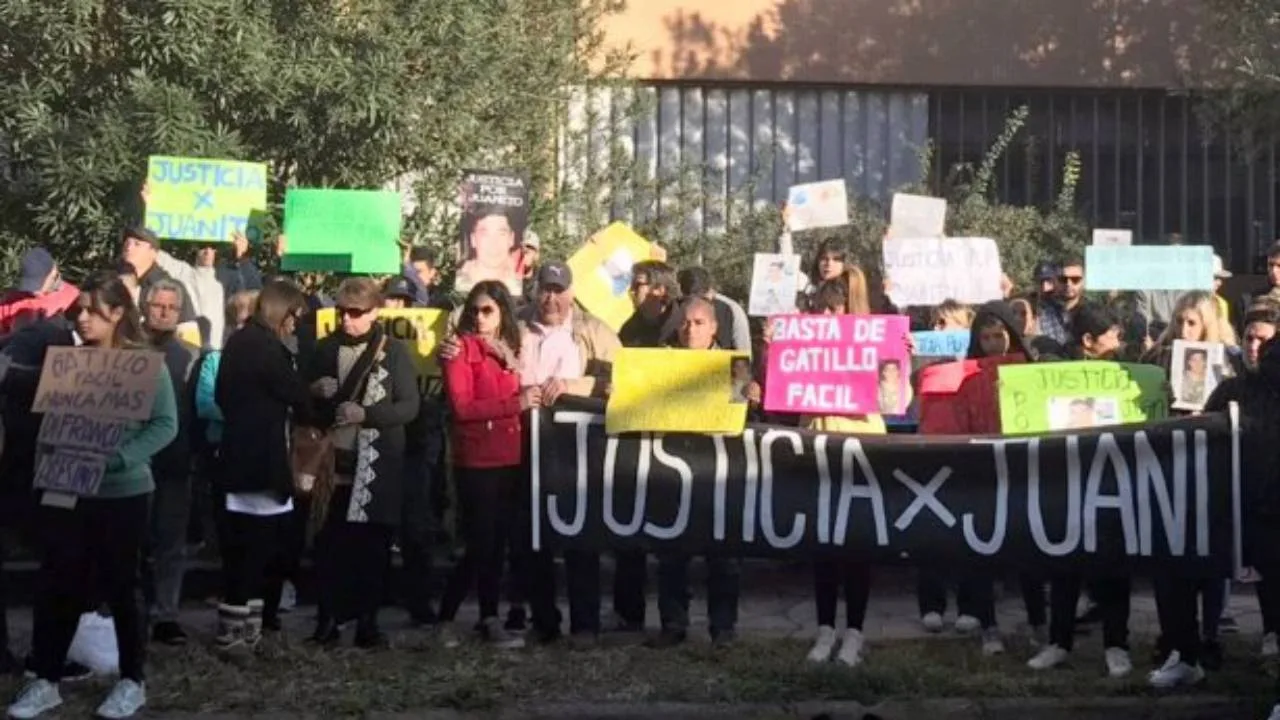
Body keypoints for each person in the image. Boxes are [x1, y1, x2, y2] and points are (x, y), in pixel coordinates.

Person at [8, 271, 178, 720]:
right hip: (66, 489)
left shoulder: (145, 365)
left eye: (92, 311)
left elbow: (166, 425)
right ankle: (45, 678)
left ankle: (131, 679)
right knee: (58, 582)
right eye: (78, 310)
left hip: (124, 494)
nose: (81, 318)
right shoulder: (68, 362)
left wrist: (120, 457)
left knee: (124, 587)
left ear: (118, 312)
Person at [305, 278, 419, 648]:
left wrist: (365, 413)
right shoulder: (323, 349)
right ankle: (327, 620)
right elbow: (303, 405)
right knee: (328, 545)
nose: (347, 320)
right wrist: (312, 392)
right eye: (342, 312)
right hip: (331, 462)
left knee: (371, 548)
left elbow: (409, 406)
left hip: (374, 464)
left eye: (355, 313)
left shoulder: (394, 352)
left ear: (374, 313)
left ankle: (367, 623)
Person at [515, 262, 620, 644]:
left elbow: (622, 379)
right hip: (526, 443)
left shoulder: (595, 330)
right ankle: (543, 621)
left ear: (572, 293)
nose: (552, 298)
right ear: (535, 290)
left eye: (559, 290)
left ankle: (585, 624)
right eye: (545, 289)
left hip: (579, 450)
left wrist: (576, 385)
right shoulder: (518, 326)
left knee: (580, 537)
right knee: (532, 539)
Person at [1028, 302, 1133, 679]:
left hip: (1111, 484)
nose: (1119, 341)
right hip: (1067, 483)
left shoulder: (1126, 371)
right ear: (1088, 340)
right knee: (1063, 568)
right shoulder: (1055, 371)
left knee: (1112, 570)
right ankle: (1058, 642)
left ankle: (1117, 646)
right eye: (1112, 335)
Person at [213, 280, 312, 655]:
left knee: (246, 550)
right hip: (260, 463)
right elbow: (296, 395)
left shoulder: (239, 343)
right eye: (294, 315)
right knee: (255, 550)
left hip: (239, 456)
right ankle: (237, 635)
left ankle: (243, 628)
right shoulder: (265, 348)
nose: (295, 323)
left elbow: (224, 395)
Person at [437, 280, 538, 648]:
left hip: (510, 455)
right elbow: (463, 408)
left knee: (497, 543)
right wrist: (516, 404)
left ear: (502, 313)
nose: (479, 318)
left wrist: (511, 365)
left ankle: (488, 616)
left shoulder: (509, 348)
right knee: (479, 543)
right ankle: (446, 616)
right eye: (475, 310)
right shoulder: (458, 350)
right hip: (477, 459)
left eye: (488, 310)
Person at [650, 297, 741, 649]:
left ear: (714, 328)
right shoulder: (659, 362)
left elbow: (745, 412)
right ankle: (673, 624)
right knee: (671, 553)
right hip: (672, 469)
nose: (690, 330)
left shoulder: (734, 365)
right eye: (685, 323)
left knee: (723, 555)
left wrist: (750, 395)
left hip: (721, 473)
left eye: (699, 323)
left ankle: (723, 629)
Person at [139, 280, 200, 647]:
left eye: (170, 307)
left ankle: (166, 614)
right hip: (134, 462)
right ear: (145, 306)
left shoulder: (190, 357)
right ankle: (131, 607)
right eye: (157, 305)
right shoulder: (126, 350)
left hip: (176, 462)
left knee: (170, 542)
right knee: (132, 540)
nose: (163, 312)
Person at [152, 242, 228, 350]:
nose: (207, 252)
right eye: (203, 247)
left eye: (212, 248)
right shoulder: (184, 272)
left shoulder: (219, 286)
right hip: (188, 344)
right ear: (196, 251)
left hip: (212, 348)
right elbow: (157, 256)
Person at [660, 267, 751, 355]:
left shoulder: (732, 310)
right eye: (688, 300)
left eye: (699, 322)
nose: (691, 329)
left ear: (710, 292)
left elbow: (743, 353)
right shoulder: (674, 308)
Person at [0, 247, 79, 335]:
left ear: (53, 273)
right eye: (29, 283)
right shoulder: (11, 300)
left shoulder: (72, 297)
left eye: (38, 282)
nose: (33, 290)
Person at [457, 206, 521, 296]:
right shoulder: (460, 283)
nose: (493, 243)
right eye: (485, 234)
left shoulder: (516, 286)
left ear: (511, 238)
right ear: (473, 239)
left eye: (501, 234)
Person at [619, 261, 680, 348]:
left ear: (660, 289)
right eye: (632, 285)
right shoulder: (629, 330)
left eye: (637, 285)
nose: (631, 290)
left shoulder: (685, 325)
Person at [1038, 256, 1085, 347]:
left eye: (1075, 279)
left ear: (1083, 281)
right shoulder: (1042, 313)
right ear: (1056, 280)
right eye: (1063, 279)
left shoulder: (1093, 312)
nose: (1068, 284)